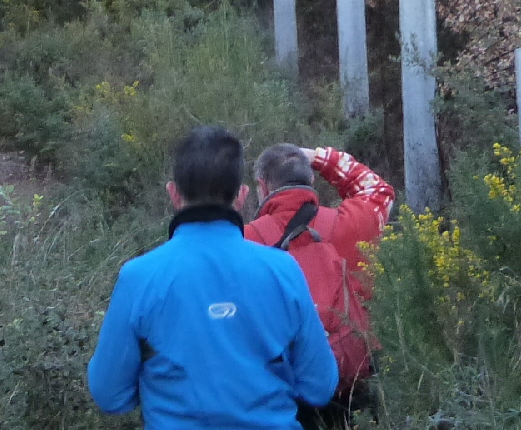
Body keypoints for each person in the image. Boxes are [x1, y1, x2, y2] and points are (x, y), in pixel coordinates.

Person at [87, 126, 338, 429]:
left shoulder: (138, 277)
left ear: (173, 194)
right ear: (242, 196)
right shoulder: (283, 270)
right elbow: (319, 386)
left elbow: (109, 394)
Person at [244, 145, 394, 421]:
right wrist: (321, 158)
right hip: (352, 383)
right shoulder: (351, 223)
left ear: (262, 187)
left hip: (283, 394)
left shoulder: (245, 241)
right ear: (311, 179)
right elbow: (378, 190)